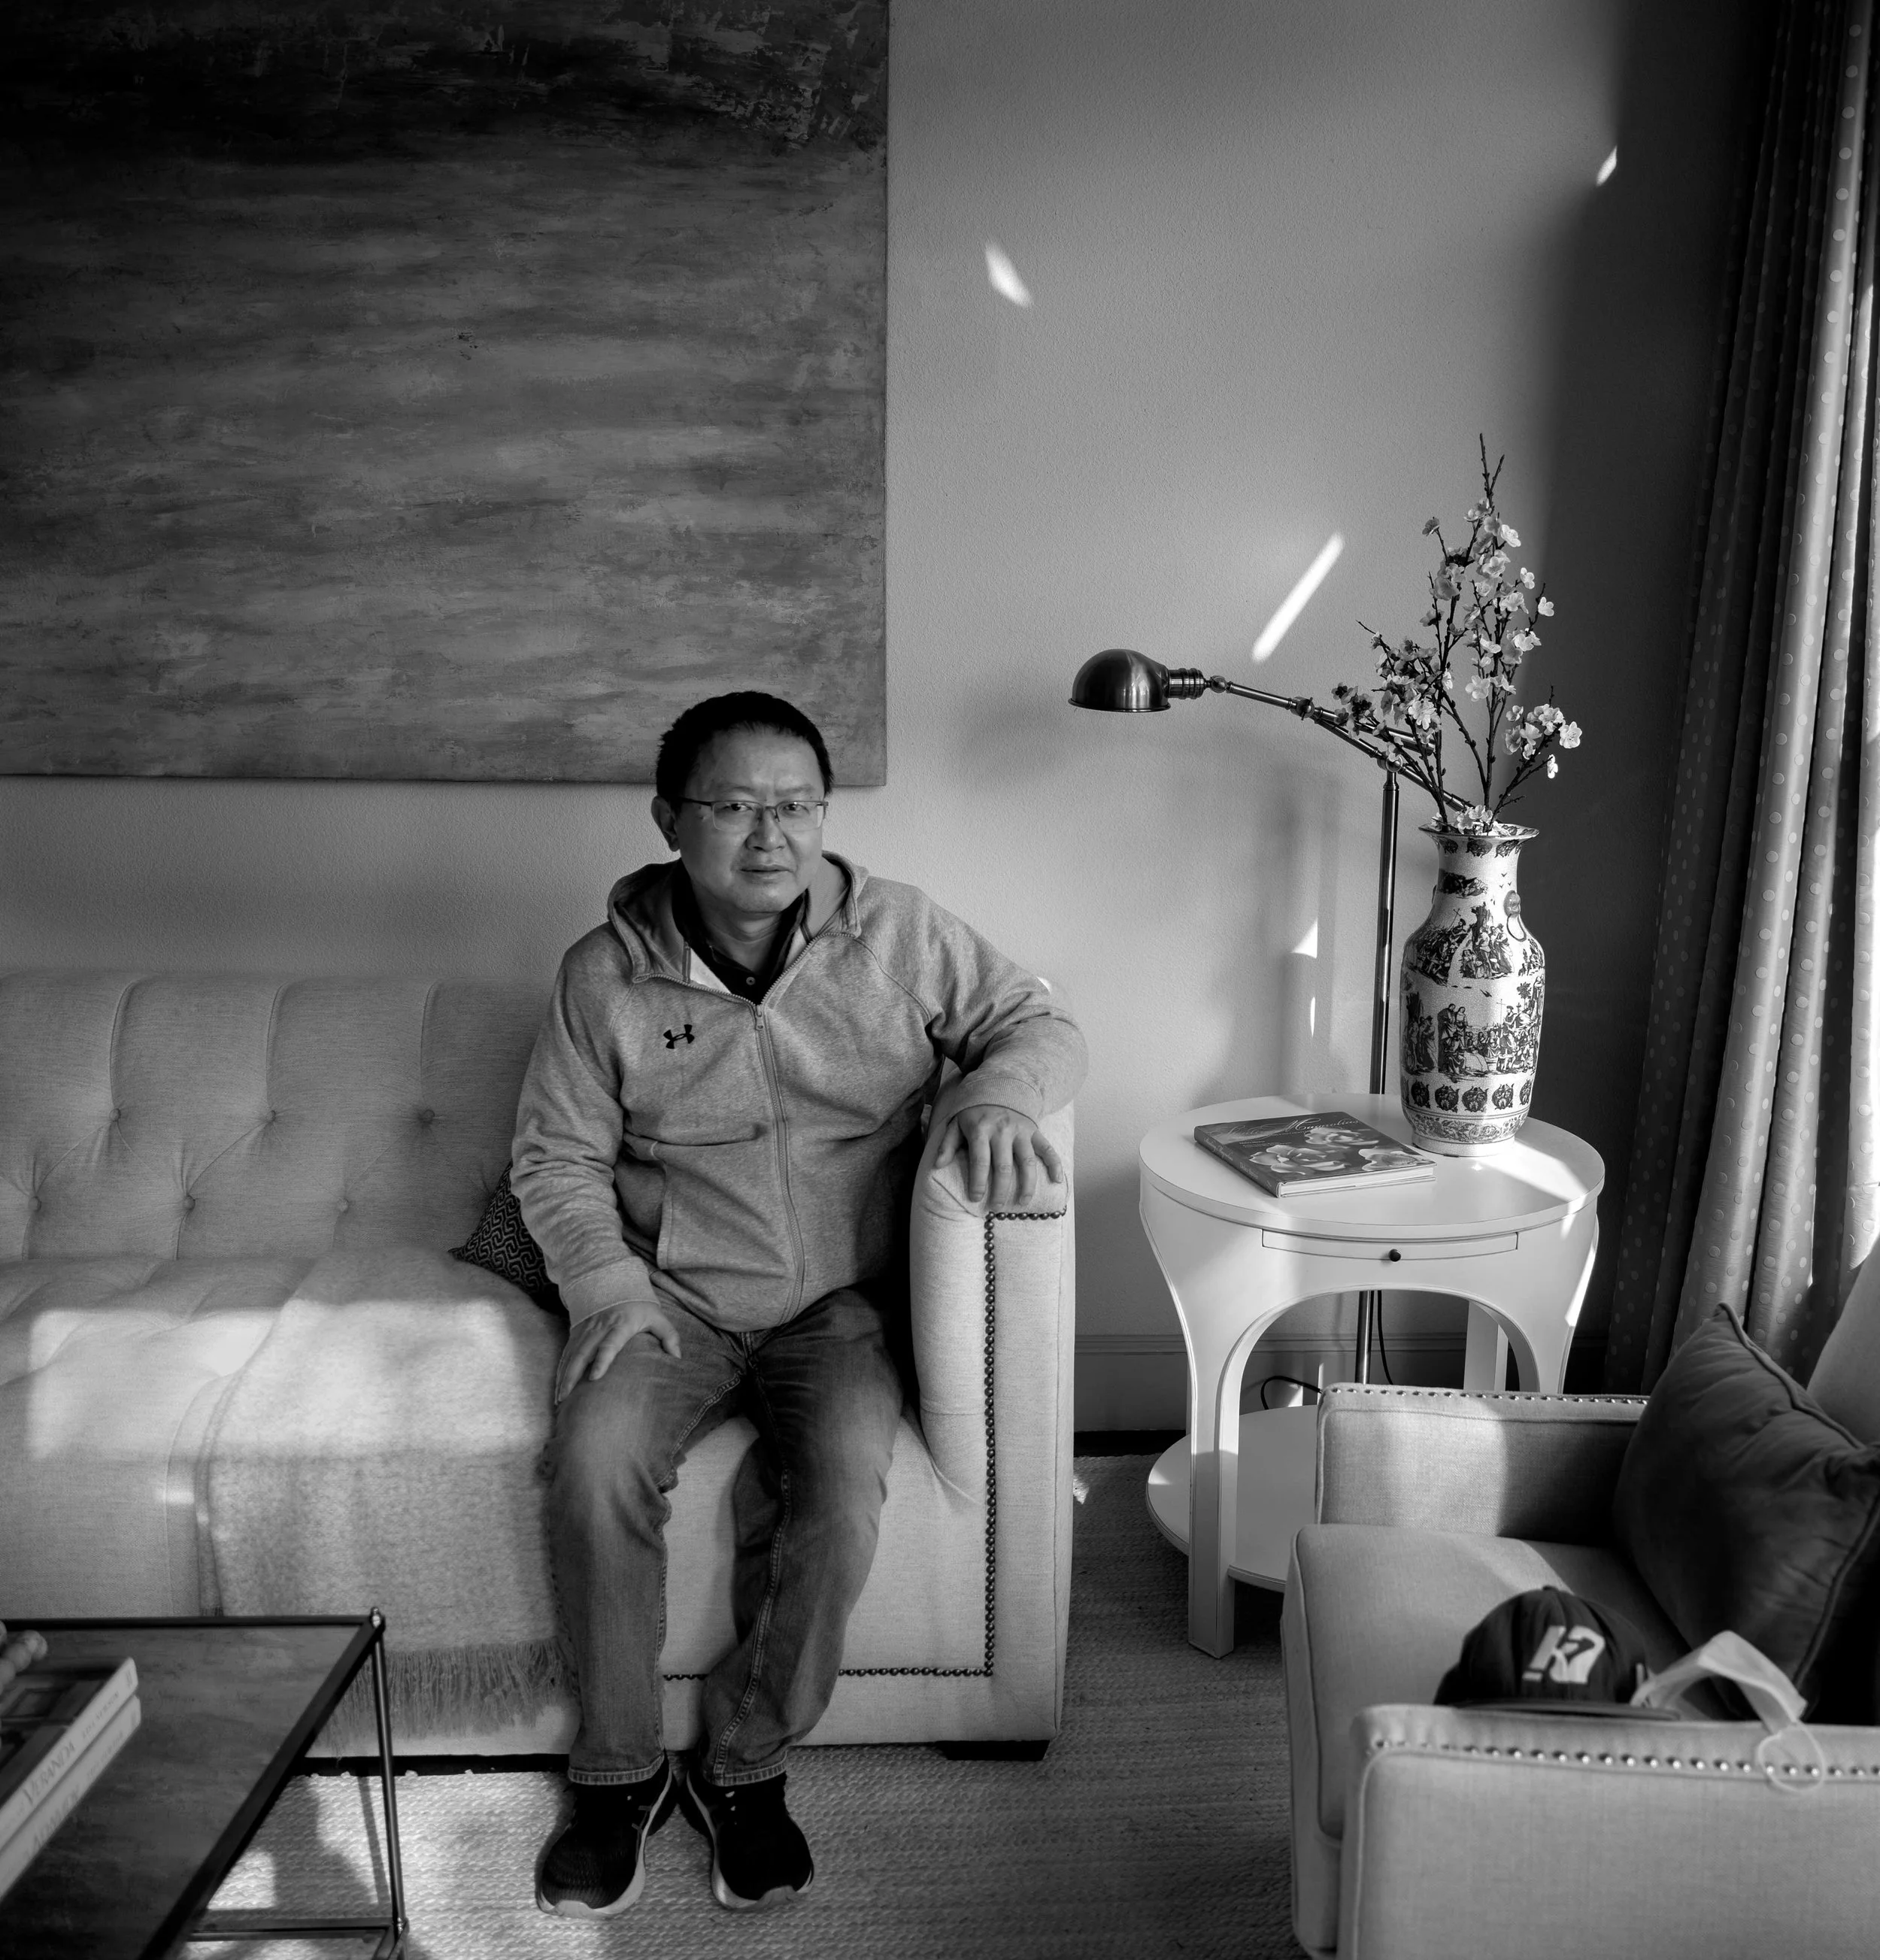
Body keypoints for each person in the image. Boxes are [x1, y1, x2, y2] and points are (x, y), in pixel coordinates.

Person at [511, 690, 1086, 1919]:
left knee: (838, 1480)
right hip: (669, 1297)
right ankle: (615, 1776)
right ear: (670, 818)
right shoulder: (603, 974)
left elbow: (1037, 1021)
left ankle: (744, 1762)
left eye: (797, 806)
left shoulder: (900, 933)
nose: (770, 835)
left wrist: (998, 1096)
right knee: (594, 1459)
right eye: (733, 806)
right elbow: (555, 1158)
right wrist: (606, 1284)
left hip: (838, 1303)